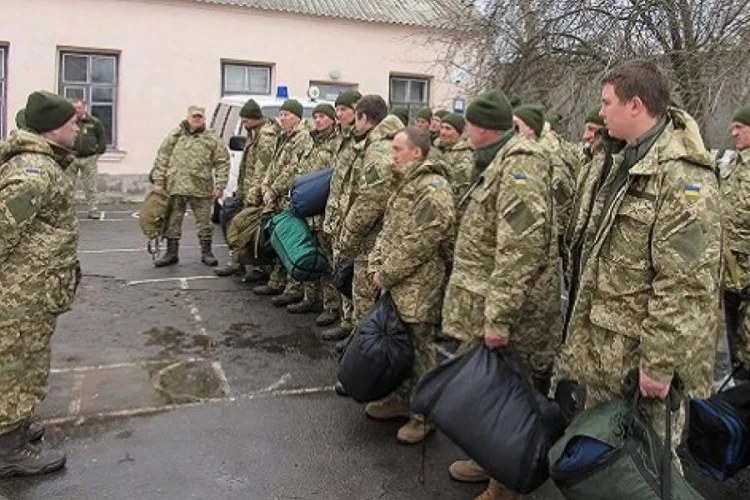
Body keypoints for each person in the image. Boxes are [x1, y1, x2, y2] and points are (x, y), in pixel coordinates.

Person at [559, 59, 721, 460]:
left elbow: (684, 282)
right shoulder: (622, 159)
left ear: (635, 105)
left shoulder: (682, 176)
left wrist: (659, 363)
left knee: (646, 464)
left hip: (642, 364)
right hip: (608, 351)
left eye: (607, 102)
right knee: (607, 464)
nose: (601, 112)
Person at [441, 90, 559, 500]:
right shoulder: (496, 161)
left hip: (516, 309)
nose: (462, 129)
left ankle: (505, 483)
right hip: (488, 299)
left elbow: (519, 250)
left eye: (467, 123)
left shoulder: (520, 166)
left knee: (511, 395)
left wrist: (500, 318)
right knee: (490, 391)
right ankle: (489, 459)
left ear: (481, 127)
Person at [0, 91, 81, 476]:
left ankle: (15, 430)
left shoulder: (45, 164)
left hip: (32, 287)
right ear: (52, 129)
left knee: (25, 361)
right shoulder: (34, 172)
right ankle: (7, 450)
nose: (78, 129)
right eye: (72, 123)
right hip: (20, 292)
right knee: (17, 365)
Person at [364, 127, 455, 444]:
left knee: (420, 349)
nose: (393, 156)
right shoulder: (406, 183)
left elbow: (421, 243)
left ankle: (424, 416)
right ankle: (402, 401)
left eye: (398, 149)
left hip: (419, 283)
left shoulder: (433, 189)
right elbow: (390, 231)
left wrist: (386, 273)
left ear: (417, 152)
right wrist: (377, 264)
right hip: (397, 279)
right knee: (401, 346)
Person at [336, 96, 403, 345]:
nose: (354, 123)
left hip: (372, 236)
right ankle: (359, 341)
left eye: (356, 116)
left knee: (363, 294)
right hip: (384, 232)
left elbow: (370, 199)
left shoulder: (378, 148)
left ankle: (363, 349)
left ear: (364, 117)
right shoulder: (390, 142)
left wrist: (349, 236)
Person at [150, 105, 229, 267]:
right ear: (188, 117)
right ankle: (171, 253)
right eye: (194, 117)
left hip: (201, 187)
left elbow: (222, 162)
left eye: (200, 117)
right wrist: (159, 181)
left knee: (205, 222)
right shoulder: (175, 135)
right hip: (175, 186)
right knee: (172, 221)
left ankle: (207, 252)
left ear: (204, 119)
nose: (196, 120)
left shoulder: (212, 138)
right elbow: (162, 157)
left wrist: (220, 185)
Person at [253, 99, 313, 302]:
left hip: (288, 197)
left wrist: (274, 189)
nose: (282, 118)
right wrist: (266, 186)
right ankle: (276, 282)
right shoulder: (284, 137)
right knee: (279, 241)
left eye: (286, 114)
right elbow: (273, 165)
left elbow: (293, 170)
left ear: (297, 117)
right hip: (276, 197)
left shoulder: (302, 138)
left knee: (291, 242)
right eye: (281, 114)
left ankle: (293, 288)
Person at [284, 103, 340, 316]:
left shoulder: (337, 144)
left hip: (324, 208)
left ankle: (331, 306)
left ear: (332, 120)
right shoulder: (309, 141)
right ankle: (309, 298)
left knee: (326, 260)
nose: (318, 120)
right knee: (309, 253)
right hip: (306, 208)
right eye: (315, 116)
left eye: (323, 117)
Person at [215, 99, 278, 278]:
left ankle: (257, 267)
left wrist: (254, 193)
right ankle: (237, 263)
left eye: (245, 121)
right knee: (236, 224)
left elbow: (262, 168)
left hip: (256, 192)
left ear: (255, 119)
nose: (243, 125)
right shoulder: (254, 133)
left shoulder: (266, 137)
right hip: (247, 188)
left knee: (246, 229)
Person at [321, 90, 363, 340]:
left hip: (354, 219)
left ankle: (355, 328)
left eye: (344, 109)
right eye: (337, 109)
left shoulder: (363, 142)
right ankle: (346, 320)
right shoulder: (342, 140)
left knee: (353, 276)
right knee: (340, 268)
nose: (338, 114)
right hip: (337, 215)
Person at [514, 104, 575, 262]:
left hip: (536, 252)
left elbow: (558, 202)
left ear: (531, 129)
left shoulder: (546, 159)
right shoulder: (520, 157)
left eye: (516, 126)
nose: (511, 132)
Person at [721, 102, 750, 378]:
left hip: (748, 277)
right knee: (734, 348)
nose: (733, 133)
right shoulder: (731, 164)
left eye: (740, 127)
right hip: (729, 276)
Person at [67, 100, 107, 220]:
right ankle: (67, 211)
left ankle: (93, 210)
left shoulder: (94, 122)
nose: (77, 111)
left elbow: (102, 138)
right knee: (68, 185)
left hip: (89, 158)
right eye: (74, 108)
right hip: (72, 158)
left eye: (79, 108)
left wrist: (98, 153)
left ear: (84, 108)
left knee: (91, 186)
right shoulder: (69, 122)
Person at [431, 112, 474, 205]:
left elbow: (460, 192)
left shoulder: (464, 156)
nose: (443, 132)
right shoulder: (439, 149)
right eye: (442, 127)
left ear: (459, 133)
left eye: (448, 129)